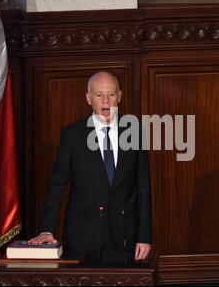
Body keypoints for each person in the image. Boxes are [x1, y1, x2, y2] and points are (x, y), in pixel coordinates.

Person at [29, 72, 152, 264]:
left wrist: (144, 237)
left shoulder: (134, 132)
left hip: (124, 239)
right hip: (82, 238)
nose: (106, 101)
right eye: (98, 95)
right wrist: (47, 229)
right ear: (88, 98)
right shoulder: (72, 135)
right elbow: (57, 186)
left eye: (111, 95)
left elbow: (143, 188)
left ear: (119, 96)